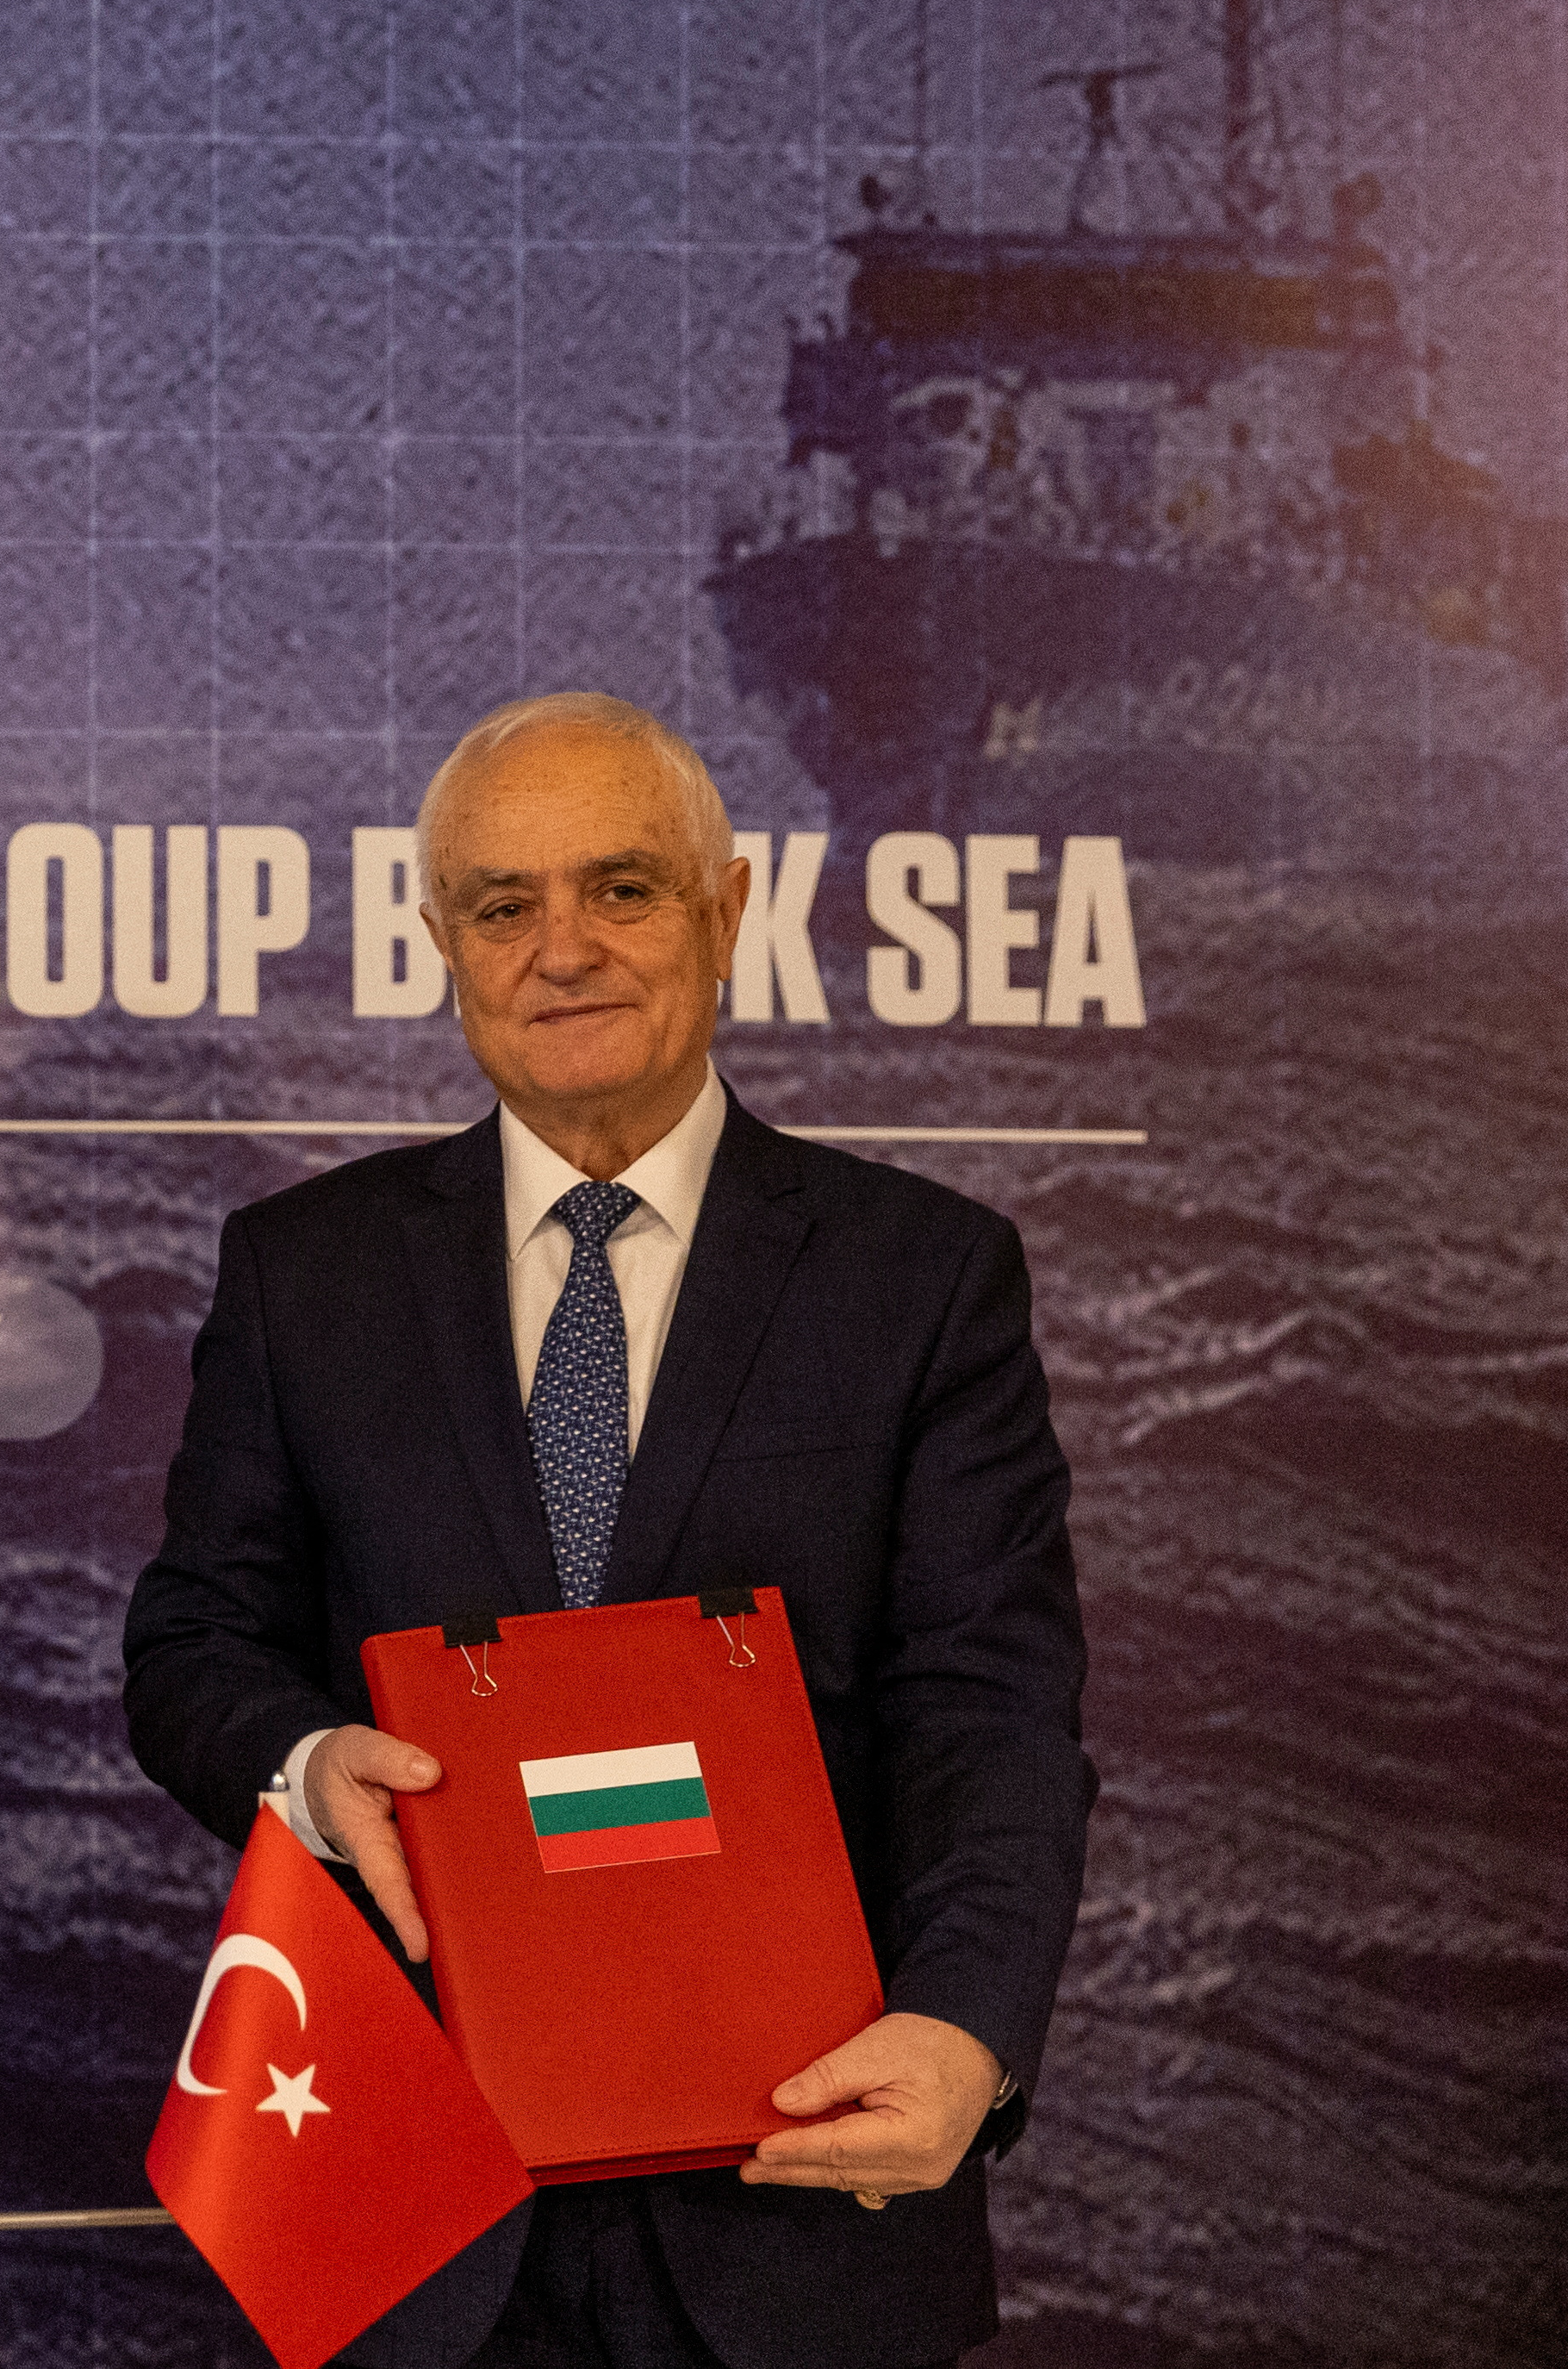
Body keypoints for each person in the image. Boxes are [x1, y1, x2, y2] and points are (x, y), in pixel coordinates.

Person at [123, 692, 1094, 2369]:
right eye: (504, 904)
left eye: (622, 889)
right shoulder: (305, 1273)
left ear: (727, 909)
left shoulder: (923, 1277)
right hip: (416, 2214)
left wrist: (966, 2029)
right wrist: (308, 1764)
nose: (562, 949)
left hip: (805, 2203)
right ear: (444, 944)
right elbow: (193, 1642)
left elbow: (992, 1706)